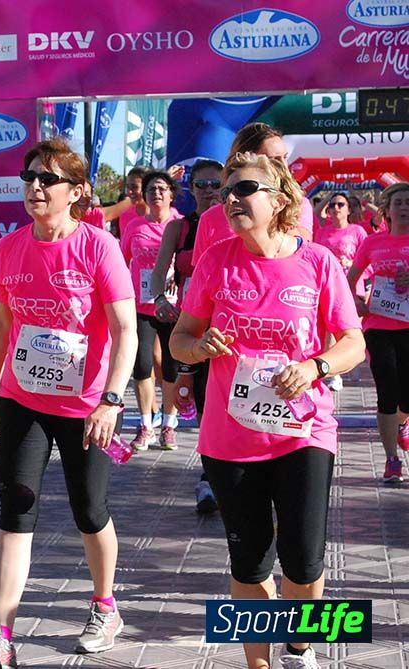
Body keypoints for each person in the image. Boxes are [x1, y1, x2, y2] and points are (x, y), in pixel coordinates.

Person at [170, 152, 364, 669]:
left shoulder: (318, 262)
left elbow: (353, 342)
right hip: (231, 437)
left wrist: (317, 366)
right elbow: (179, 341)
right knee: (251, 562)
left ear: (278, 201)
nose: (230, 199)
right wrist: (199, 347)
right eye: (226, 191)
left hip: (303, 431)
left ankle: (300, 647)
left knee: (302, 562)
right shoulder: (215, 260)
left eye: (244, 189)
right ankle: (258, 664)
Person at [0, 138, 136, 668]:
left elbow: (125, 329)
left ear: (77, 192)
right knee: (16, 508)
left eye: (48, 178)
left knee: (90, 511)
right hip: (24, 398)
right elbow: (1, 322)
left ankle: (105, 605)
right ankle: (2, 635)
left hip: (86, 406)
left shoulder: (98, 247)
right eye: (29, 176)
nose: (35, 186)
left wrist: (111, 401)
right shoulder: (9, 246)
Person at [149, 159, 223, 512]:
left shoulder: (238, 223)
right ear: (190, 189)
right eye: (202, 185)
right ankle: (209, 478)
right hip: (191, 329)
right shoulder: (179, 229)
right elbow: (158, 273)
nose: (209, 191)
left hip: (231, 330)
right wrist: (162, 299)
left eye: (215, 185)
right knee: (204, 404)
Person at [347, 182, 409, 484]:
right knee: (386, 387)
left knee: (406, 396)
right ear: (387, 209)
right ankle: (392, 459)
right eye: (398, 202)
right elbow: (352, 277)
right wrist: (357, 301)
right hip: (380, 325)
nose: (404, 207)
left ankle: (403, 423)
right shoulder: (372, 243)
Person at [192, 123, 313, 266]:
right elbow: (201, 275)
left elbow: (303, 253)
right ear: (249, 160)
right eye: (274, 159)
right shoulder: (210, 218)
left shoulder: (297, 204)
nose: (284, 166)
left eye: (285, 157)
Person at [121, 170, 181, 450]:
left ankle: (169, 425)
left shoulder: (181, 225)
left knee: (170, 367)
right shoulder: (134, 226)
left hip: (174, 306)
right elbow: (121, 264)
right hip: (141, 306)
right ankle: (146, 425)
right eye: (150, 189)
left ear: (171, 194)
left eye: (161, 188)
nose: (156, 193)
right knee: (142, 366)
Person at [313, 192, 369, 392]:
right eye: (332, 205)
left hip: (352, 286)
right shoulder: (322, 232)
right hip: (328, 286)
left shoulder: (358, 231)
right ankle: (334, 374)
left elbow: (368, 260)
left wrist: (351, 264)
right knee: (329, 330)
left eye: (340, 204)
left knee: (351, 329)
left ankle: (351, 363)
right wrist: (327, 195)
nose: (335, 208)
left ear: (349, 209)